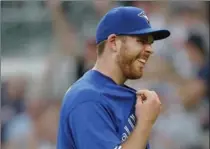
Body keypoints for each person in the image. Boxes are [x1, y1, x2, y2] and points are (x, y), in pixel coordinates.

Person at [57, 6, 170, 149]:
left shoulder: (121, 94)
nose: (150, 49)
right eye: (141, 41)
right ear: (113, 42)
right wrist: (145, 122)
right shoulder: (87, 98)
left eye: (150, 43)